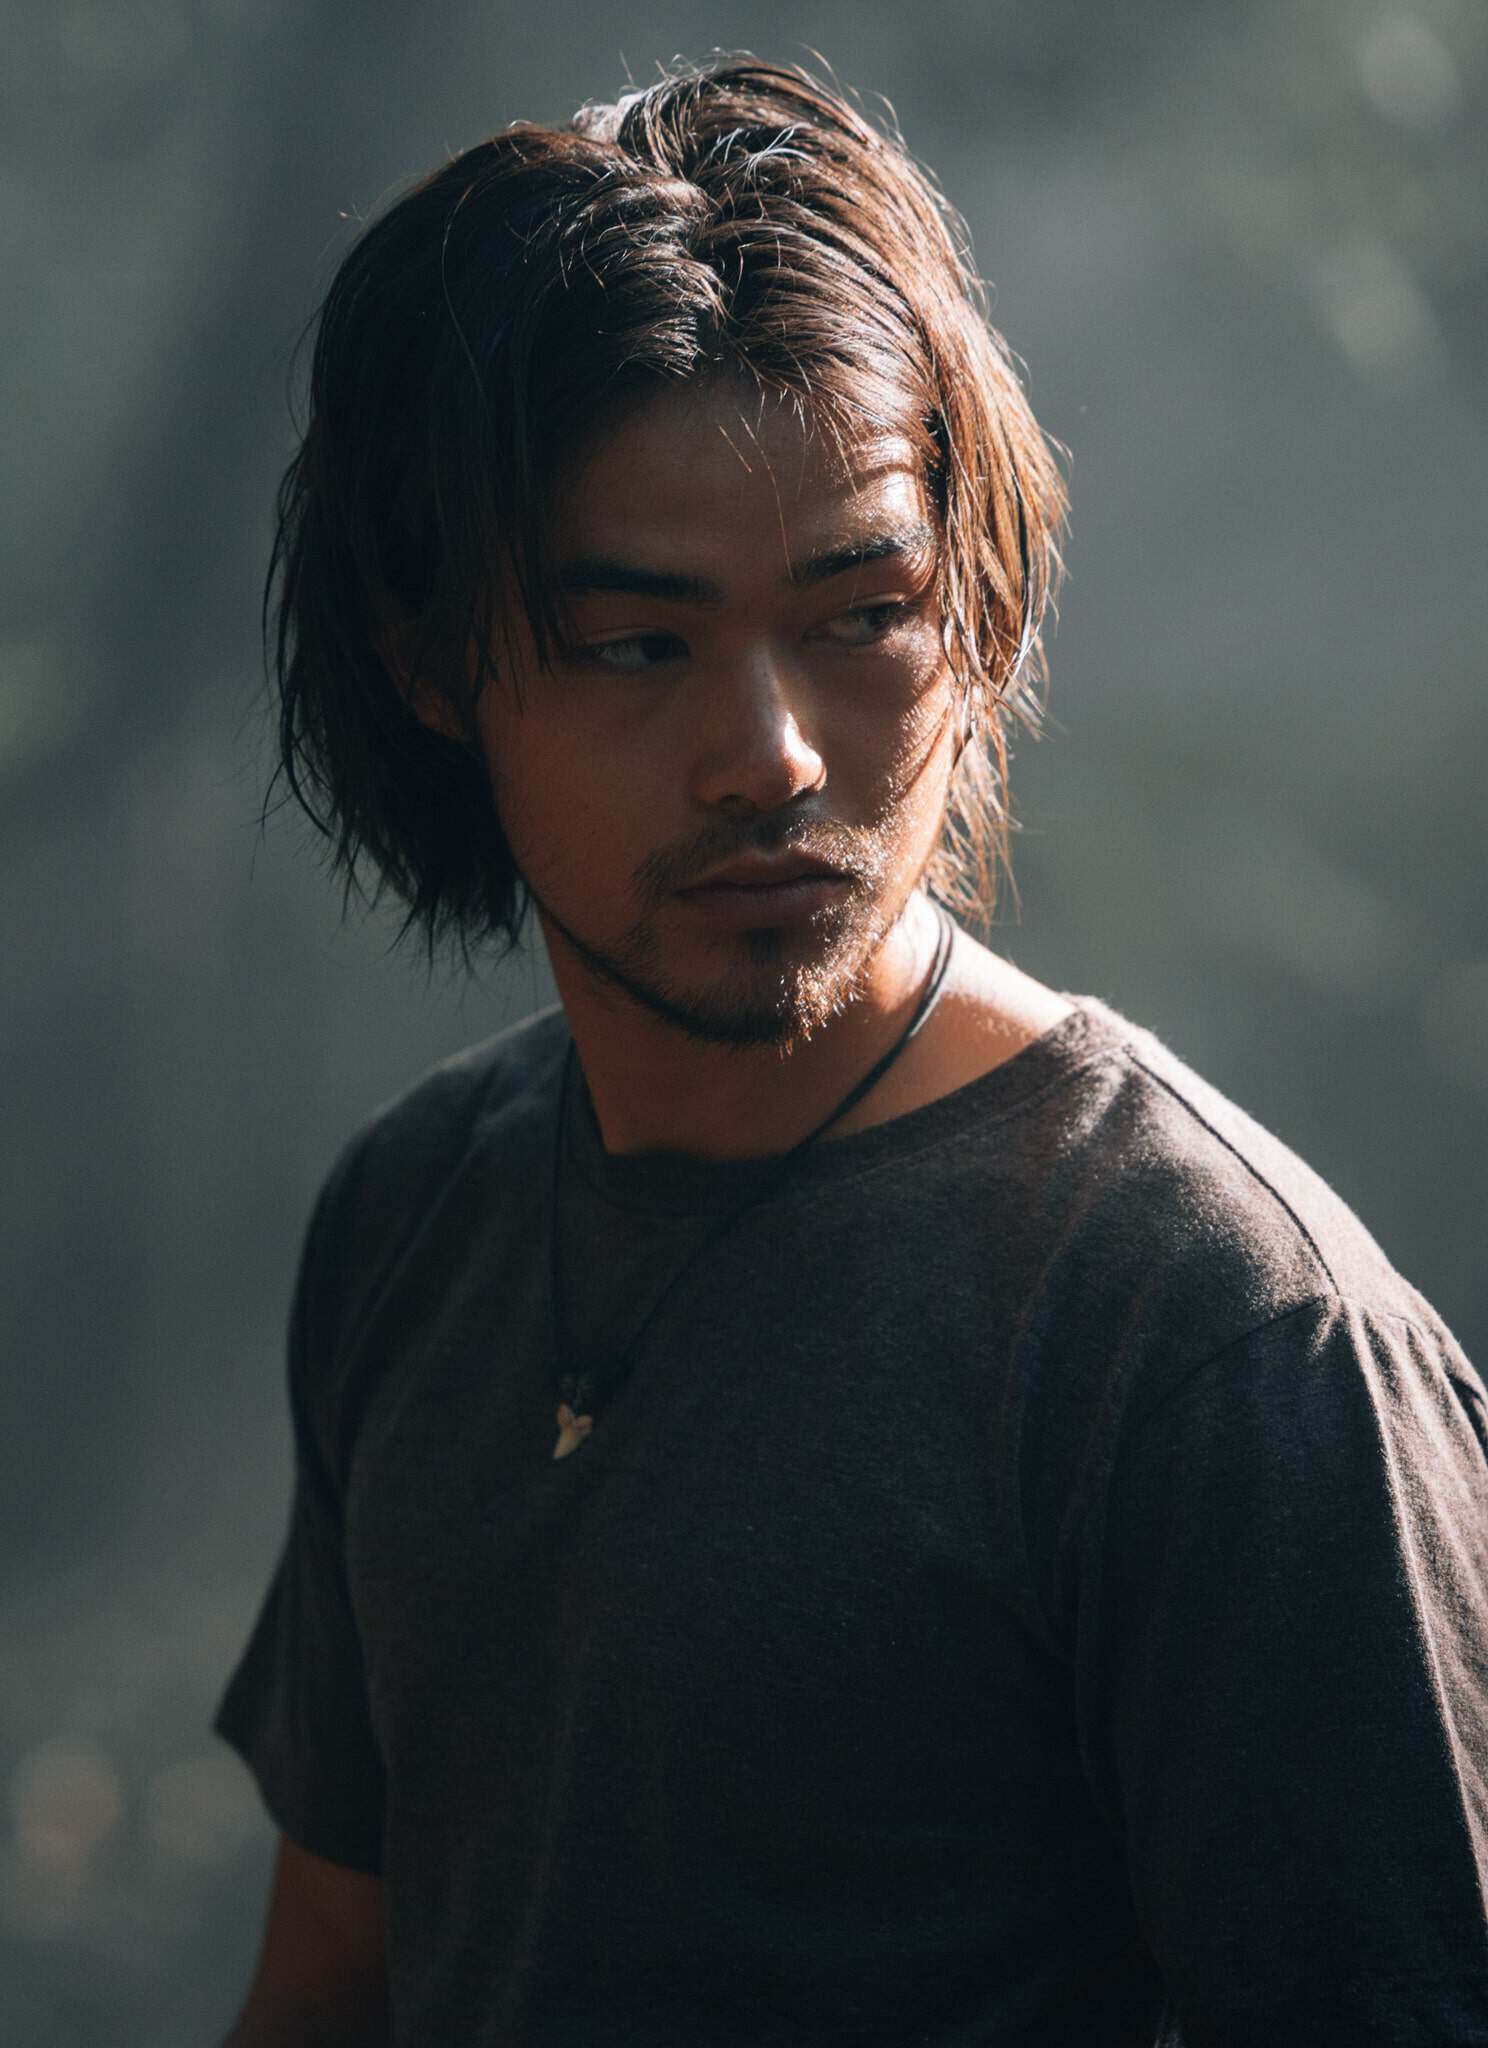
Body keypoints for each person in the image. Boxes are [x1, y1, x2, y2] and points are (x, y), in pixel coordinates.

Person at [214, 56, 1488, 2048]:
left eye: (861, 614)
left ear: (970, 611)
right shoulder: (416, 1215)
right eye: (640, 641)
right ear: (430, 657)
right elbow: (332, 1985)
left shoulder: (1215, 1343)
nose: (774, 756)